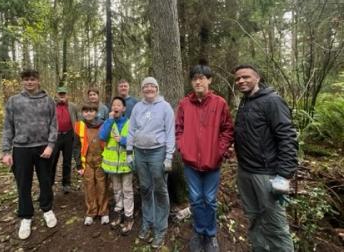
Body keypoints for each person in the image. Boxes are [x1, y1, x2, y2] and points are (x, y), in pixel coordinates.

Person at [233, 64, 298, 252]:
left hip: (267, 174)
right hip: (245, 172)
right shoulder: (245, 102)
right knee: (254, 219)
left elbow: (287, 136)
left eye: (246, 77)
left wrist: (284, 175)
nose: (241, 81)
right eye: (237, 79)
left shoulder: (272, 101)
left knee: (275, 226)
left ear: (257, 78)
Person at [176, 63, 234, 252]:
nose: (198, 81)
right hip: (190, 162)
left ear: (209, 80)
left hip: (212, 162)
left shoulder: (219, 103)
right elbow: (178, 129)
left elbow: (227, 130)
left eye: (201, 78)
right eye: (194, 78)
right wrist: (182, 147)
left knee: (209, 199)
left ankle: (210, 235)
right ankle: (198, 232)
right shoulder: (184, 104)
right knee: (195, 198)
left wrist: (219, 151)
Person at [1, 69, 57, 240]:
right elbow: (7, 127)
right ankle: (26, 216)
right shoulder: (14, 101)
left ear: (38, 80)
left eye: (32, 79)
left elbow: (54, 125)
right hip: (21, 148)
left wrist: (50, 145)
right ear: (22, 82)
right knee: (23, 183)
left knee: (45, 180)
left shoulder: (48, 101)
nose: (29, 82)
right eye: (26, 80)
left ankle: (47, 209)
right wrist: (5, 151)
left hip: (43, 148)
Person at [127, 77, 175, 249]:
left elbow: (170, 133)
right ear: (142, 90)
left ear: (157, 88)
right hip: (140, 153)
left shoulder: (165, 107)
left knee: (160, 190)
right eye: (145, 86)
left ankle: (160, 229)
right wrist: (129, 152)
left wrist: (169, 156)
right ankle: (148, 223)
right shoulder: (137, 108)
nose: (148, 89)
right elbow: (131, 130)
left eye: (152, 86)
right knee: (146, 189)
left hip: (158, 153)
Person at [99, 96, 134, 234]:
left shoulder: (130, 123)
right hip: (112, 165)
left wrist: (123, 140)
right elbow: (102, 136)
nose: (116, 107)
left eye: (119, 105)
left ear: (124, 109)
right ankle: (118, 213)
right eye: (114, 105)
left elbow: (135, 139)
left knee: (127, 191)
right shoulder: (109, 122)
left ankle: (129, 217)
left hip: (127, 164)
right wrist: (109, 120)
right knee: (117, 190)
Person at [74, 102, 109, 226]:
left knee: (102, 185)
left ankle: (104, 211)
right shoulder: (79, 126)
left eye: (91, 111)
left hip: (101, 160)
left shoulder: (103, 125)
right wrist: (79, 165)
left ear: (96, 112)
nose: (88, 113)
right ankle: (91, 212)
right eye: (86, 111)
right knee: (89, 186)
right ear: (82, 113)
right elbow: (76, 146)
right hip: (87, 162)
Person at [50, 86, 79, 194]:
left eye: (64, 94)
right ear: (56, 95)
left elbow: (78, 120)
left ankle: (66, 184)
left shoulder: (73, 106)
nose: (62, 96)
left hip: (69, 136)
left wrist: (77, 136)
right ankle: (50, 183)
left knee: (67, 161)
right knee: (52, 161)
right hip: (55, 136)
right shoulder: (52, 106)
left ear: (67, 95)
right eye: (60, 94)